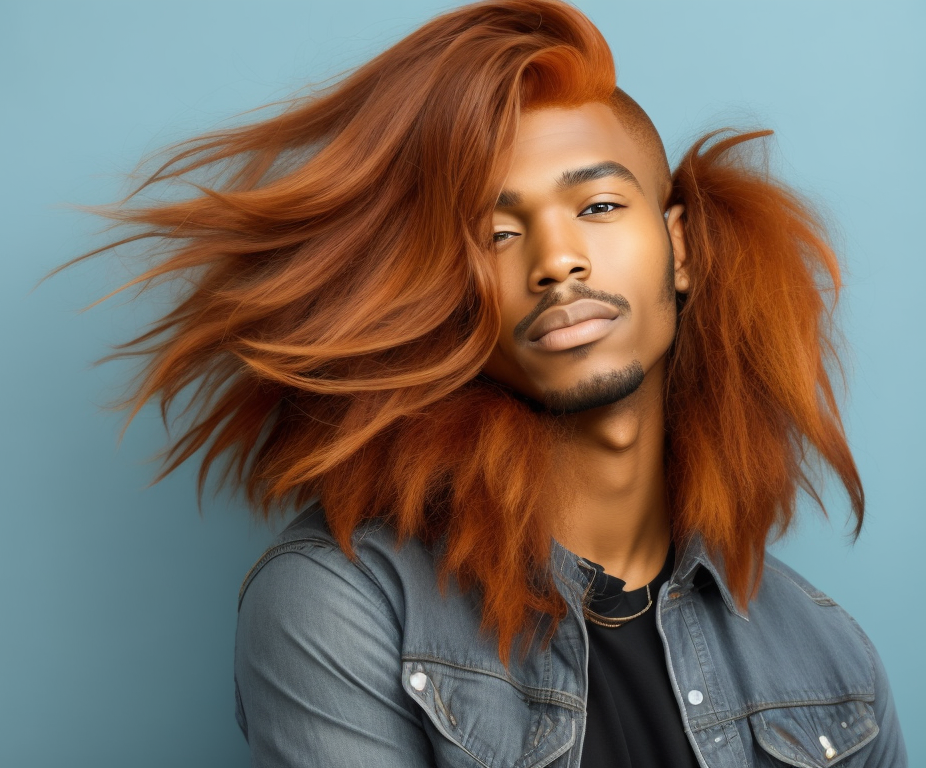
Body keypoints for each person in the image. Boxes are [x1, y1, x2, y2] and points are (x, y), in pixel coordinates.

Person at [64, 0, 907, 765]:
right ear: (448, 295)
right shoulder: (340, 605)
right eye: (496, 233)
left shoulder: (832, 668)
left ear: (680, 248)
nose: (557, 260)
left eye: (600, 207)